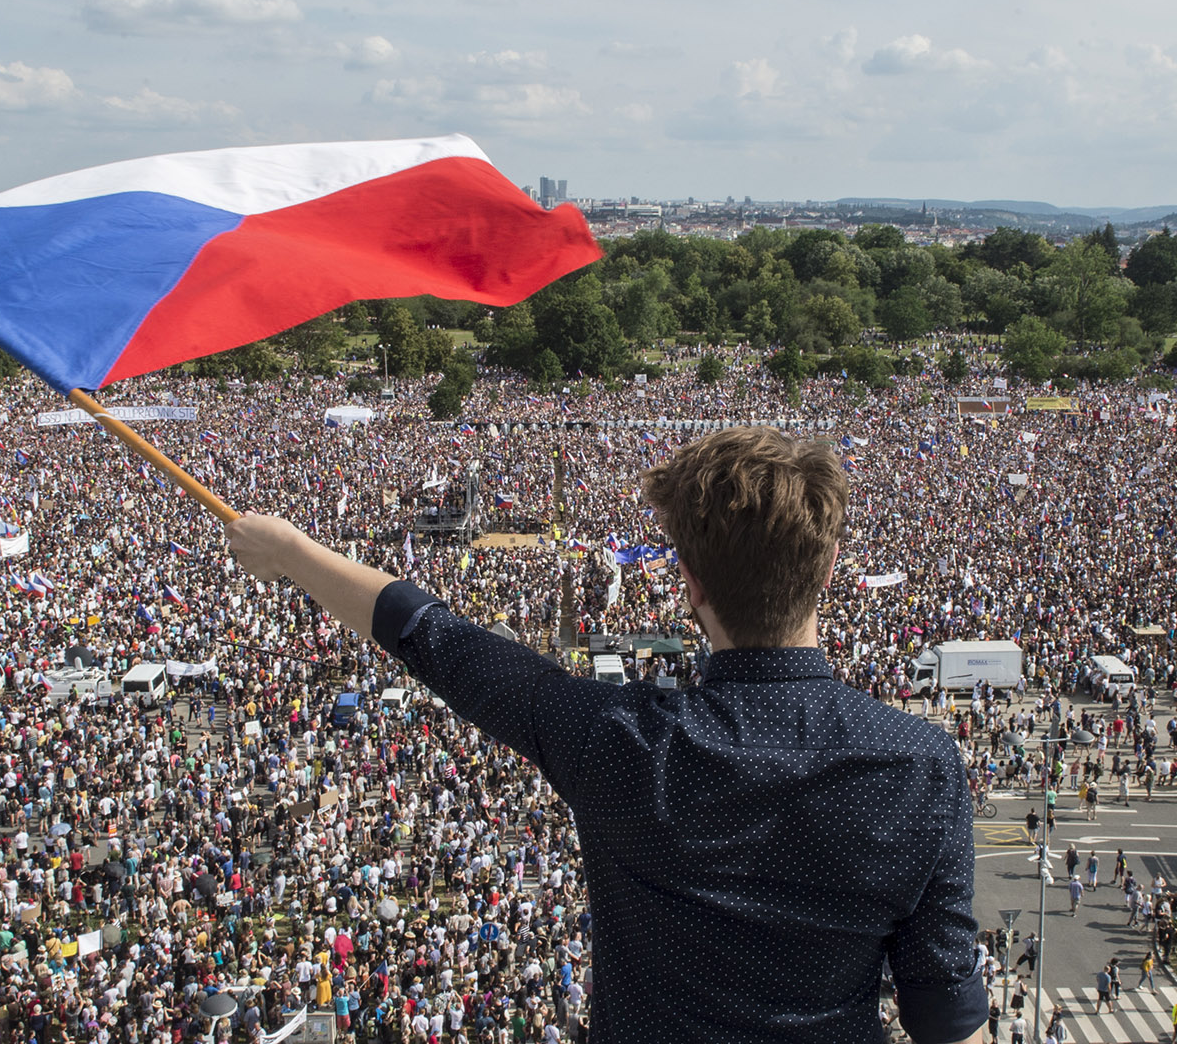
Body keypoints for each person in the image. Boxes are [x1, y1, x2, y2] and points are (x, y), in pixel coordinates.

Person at [225, 427, 991, 1044]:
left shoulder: (621, 741)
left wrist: (292, 554)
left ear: (687, 579)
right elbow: (946, 1020)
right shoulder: (921, 767)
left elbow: (436, 637)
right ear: (826, 569)